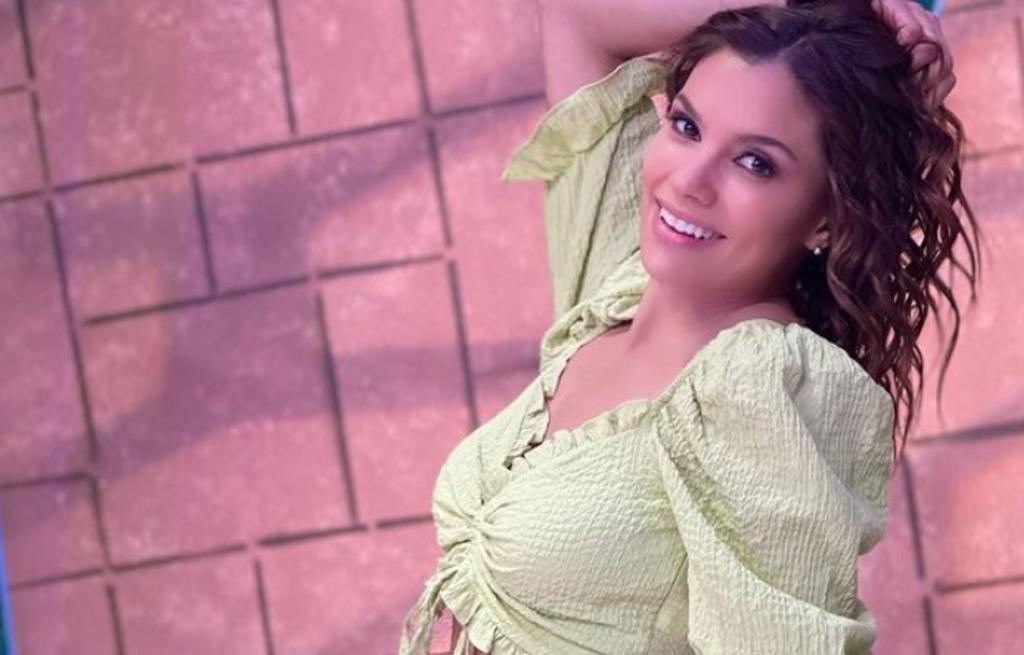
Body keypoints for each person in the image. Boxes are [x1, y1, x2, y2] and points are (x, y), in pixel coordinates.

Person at [398, 0, 980, 653]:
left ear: (826, 218)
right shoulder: (618, 278)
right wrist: (807, 11)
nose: (689, 181)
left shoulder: (760, 385)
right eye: (686, 125)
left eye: (755, 163)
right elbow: (577, 18)